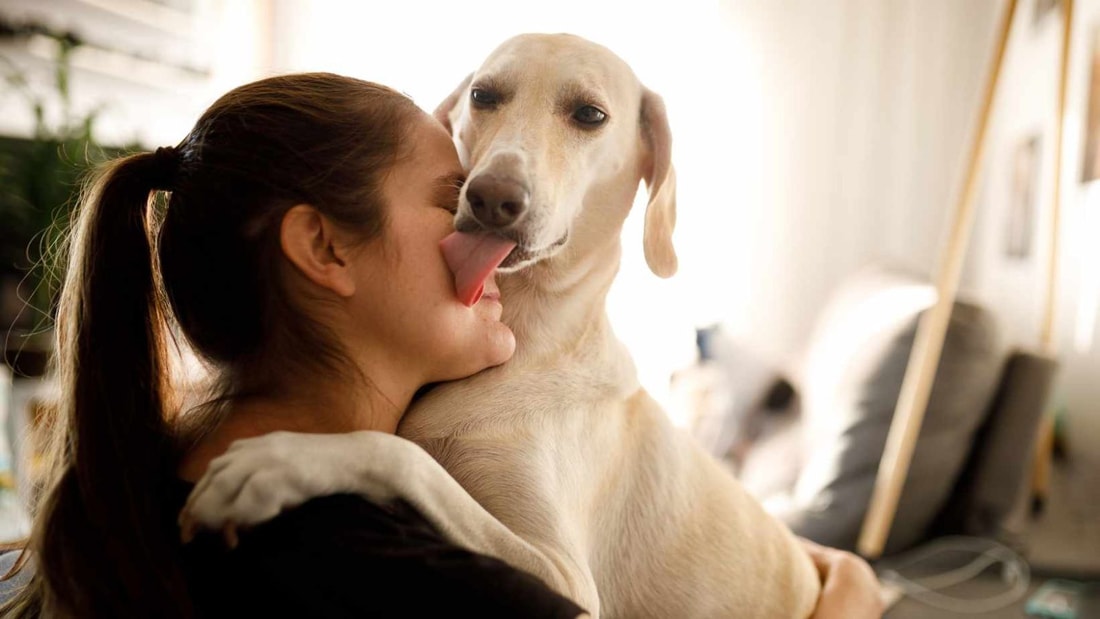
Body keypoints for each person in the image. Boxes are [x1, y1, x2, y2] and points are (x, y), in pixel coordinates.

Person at [0, 72, 881, 618]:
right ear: (324, 248)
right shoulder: (353, 546)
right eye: (449, 199)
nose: (486, 222)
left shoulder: (155, 468)